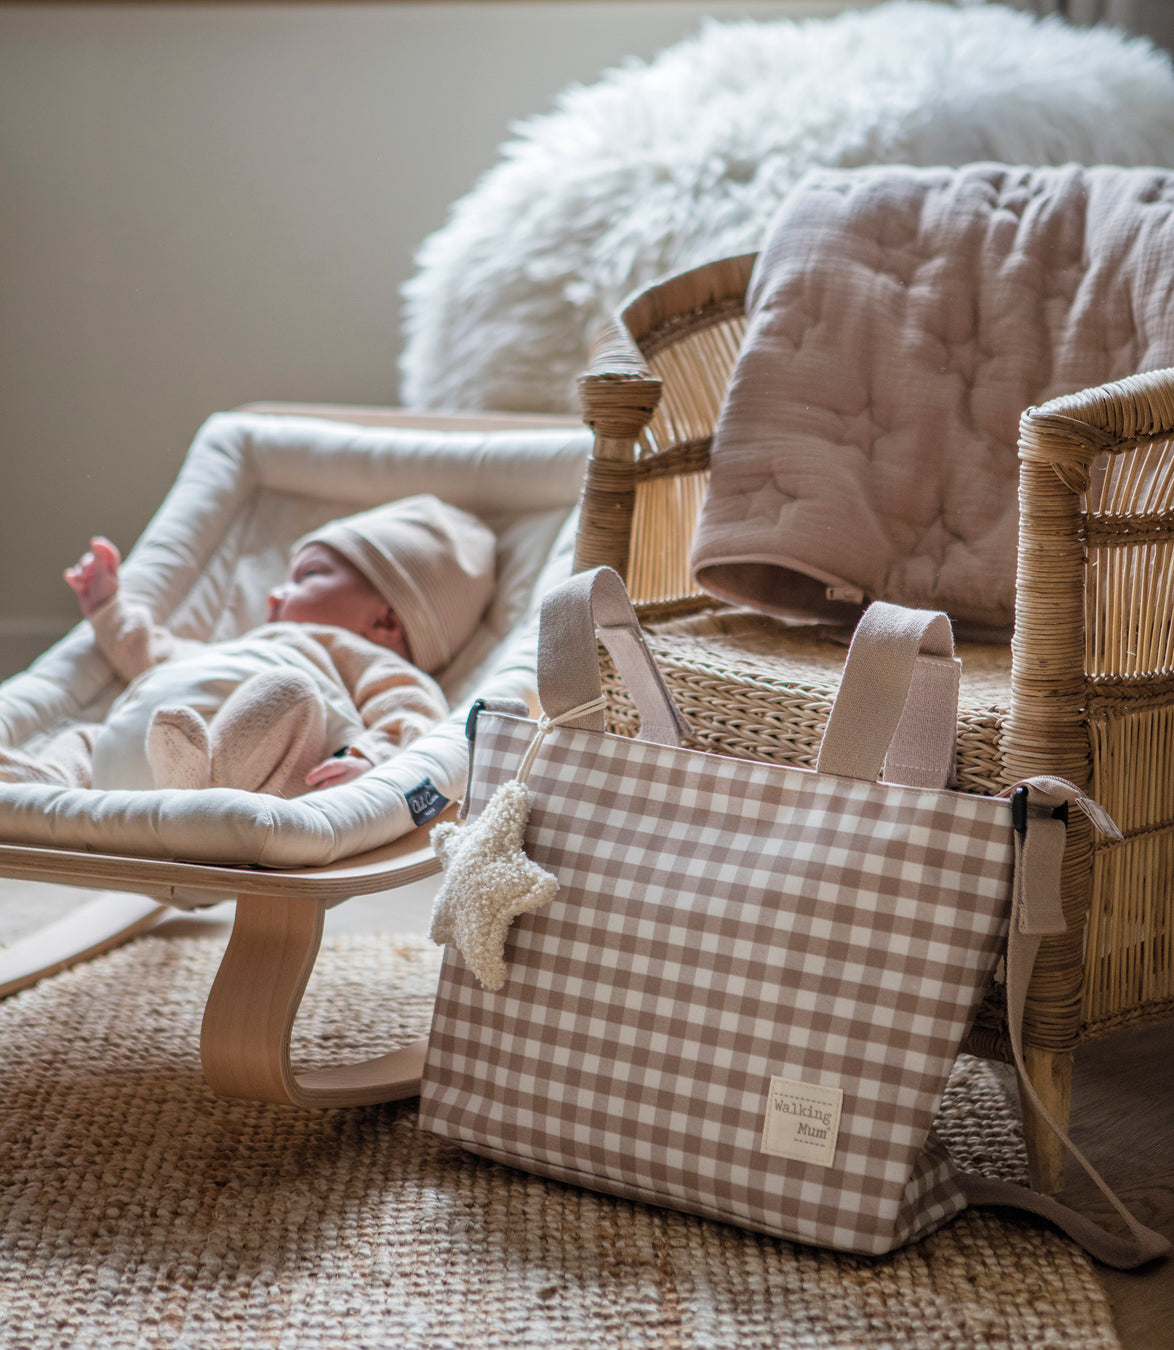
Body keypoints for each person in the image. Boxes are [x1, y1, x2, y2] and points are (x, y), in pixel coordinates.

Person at [0, 495, 496, 796]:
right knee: (88, 736)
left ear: (386, 620)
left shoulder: (362, 658)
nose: (276, 593)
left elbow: (412, 712)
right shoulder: (242, 647)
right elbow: (153, 656)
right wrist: (108, 607)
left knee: (288, 690)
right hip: (131, 762)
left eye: (308, 576)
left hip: (231, 788)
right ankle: (42, 785)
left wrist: (371, 757)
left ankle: (195, 784)